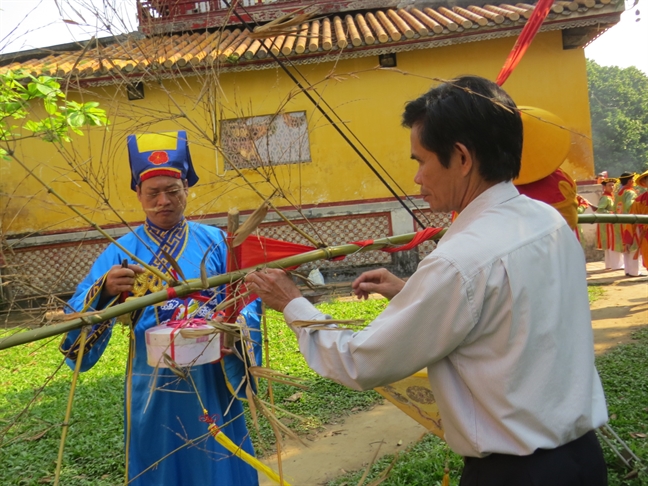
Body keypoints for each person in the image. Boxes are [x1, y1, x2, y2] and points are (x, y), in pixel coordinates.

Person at [246, 76, 608, 485]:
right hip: (582, 461)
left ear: (461, 158)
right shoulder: (546, 221)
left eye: (420, 160)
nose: (417, 177)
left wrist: (293, 303)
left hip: (516, 473)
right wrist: (411, 293)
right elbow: (517, 315)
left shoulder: (460, 261)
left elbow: (360, 361)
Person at [60, 131, 261, 485]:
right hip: (152, 382)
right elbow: (76, 314)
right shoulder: (121, 251)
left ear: (186, 188)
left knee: (218, 456)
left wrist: (236, 328)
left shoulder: (216, 241)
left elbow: (248, 296)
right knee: (160, 464)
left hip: (210, 372)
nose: (163, 201)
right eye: (153, 193)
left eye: (172, 190)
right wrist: (104, 291)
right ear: (138, 194)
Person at [615, 171, 642, 276]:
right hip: (630, 222)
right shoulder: (630, 192)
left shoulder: (618, 193)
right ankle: (635, 271)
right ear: (630, 181)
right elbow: (630, 206)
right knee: (634, 245)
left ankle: (628, 270)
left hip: (619, 222)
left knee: (625, 247)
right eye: (633, 180)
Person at [596, 177, 623, 269]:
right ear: (604, 187)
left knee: (610, 244)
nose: (611, 187)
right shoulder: (605, 198)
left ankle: (610, 264)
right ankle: (616, 264)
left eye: (613, 185)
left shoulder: (611, 196)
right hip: (608, 224)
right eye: (609, 185)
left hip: (610, 223)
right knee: (613, 243)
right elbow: (600, 210)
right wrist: (612, 213)